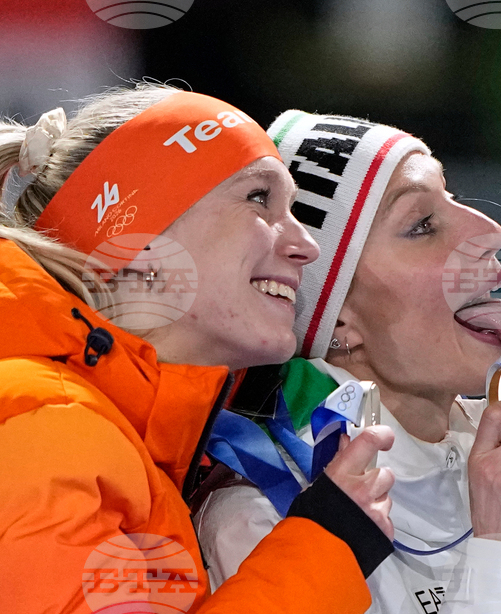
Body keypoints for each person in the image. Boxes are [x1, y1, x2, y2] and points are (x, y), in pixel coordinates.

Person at [0, 87, 399, 614]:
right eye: (259, 197)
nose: (306, 244)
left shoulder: (110, 438)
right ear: (139, 243)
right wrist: (324, 548)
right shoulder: (50, 424)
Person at [193, 111, 501, 613]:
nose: (487, 230)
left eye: (454, 197)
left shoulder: (496, 464)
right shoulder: (263, 519)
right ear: (337, 324)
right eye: (422, 225)